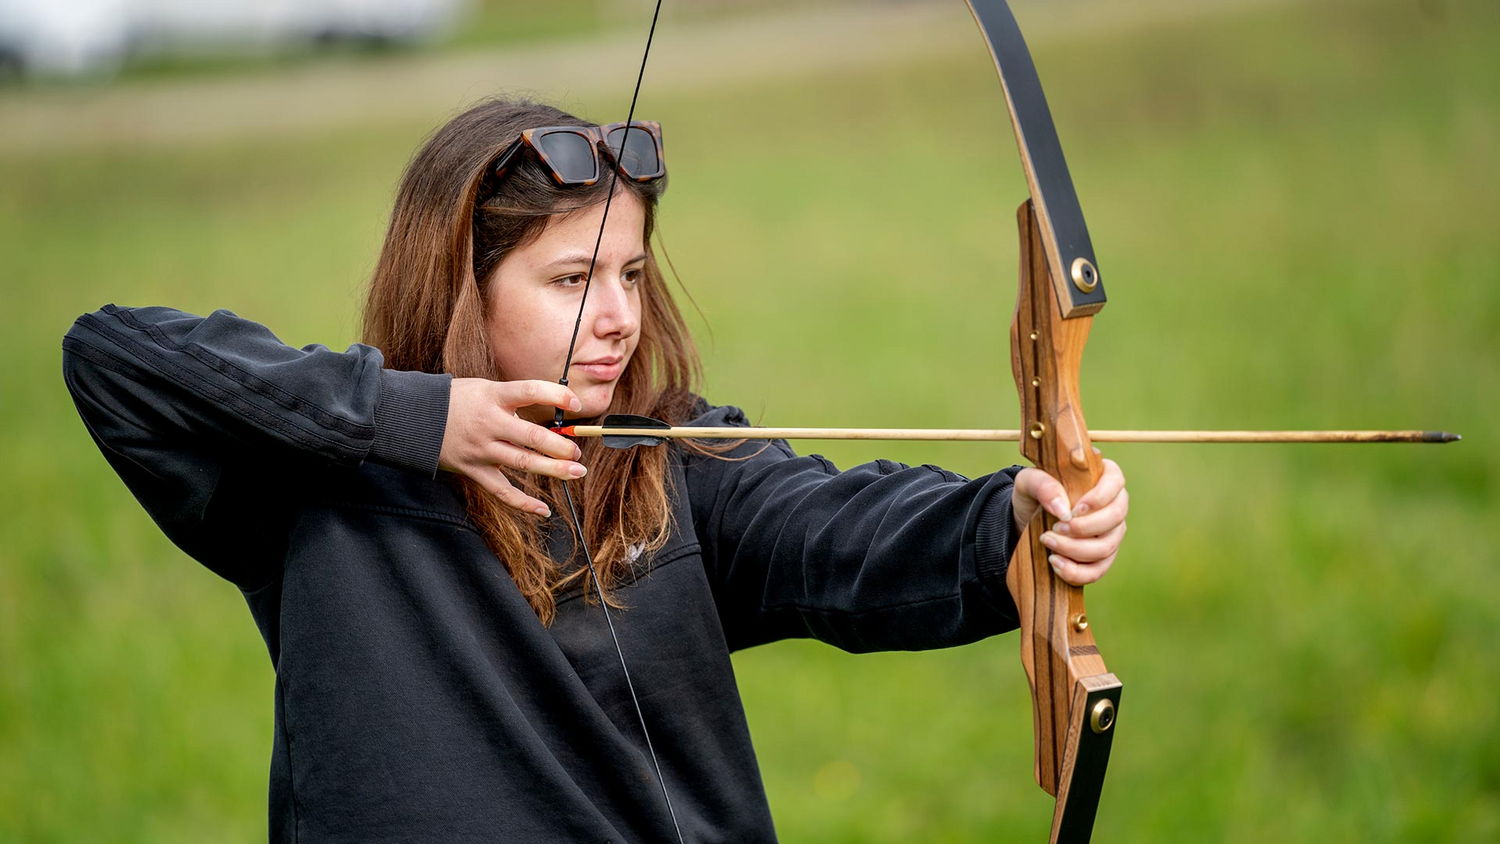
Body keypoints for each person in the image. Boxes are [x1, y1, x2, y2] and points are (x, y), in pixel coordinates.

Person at [62, 99, 1128, 842]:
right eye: (572, 279)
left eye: (631, 272)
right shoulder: (325, 482)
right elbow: (112, 357)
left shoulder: (665, 464)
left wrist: (1010, 525)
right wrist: (418, 419)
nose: (618, 315)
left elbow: (830, 526)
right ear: (460, 287)